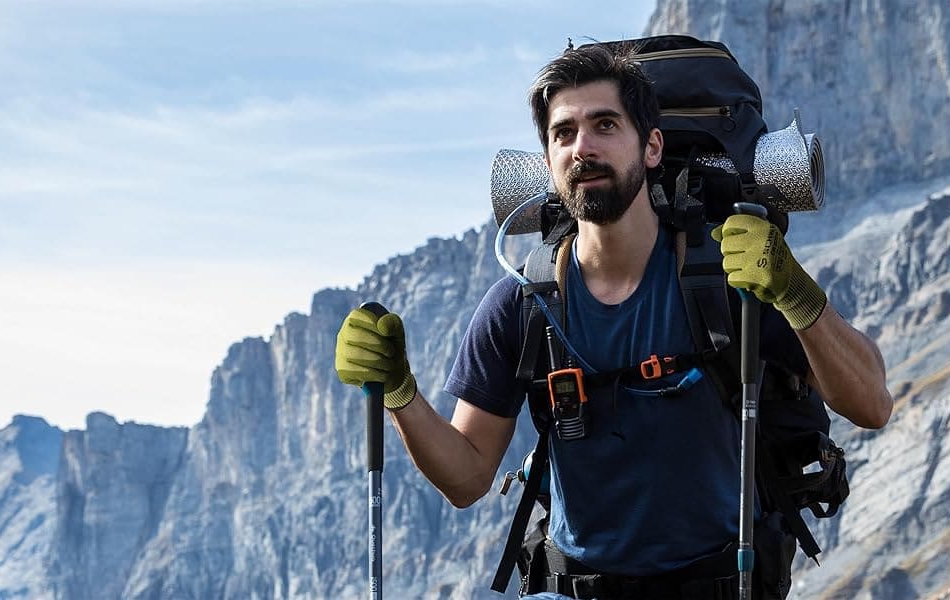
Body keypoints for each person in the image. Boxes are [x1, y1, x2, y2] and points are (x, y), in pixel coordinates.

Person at [334, 42, 892, 599]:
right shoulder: (522, 304)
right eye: (563, 133)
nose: (583, 148)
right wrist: (401, 393)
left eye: (605, 125)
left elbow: (871, 403)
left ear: (651, 146)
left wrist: (794, 291)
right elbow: (467, 477)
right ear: (549, 162)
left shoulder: (732, 278)